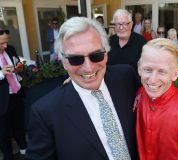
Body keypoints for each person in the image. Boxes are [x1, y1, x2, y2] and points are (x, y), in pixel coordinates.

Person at [26, 17, 139, 160]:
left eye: (96, 55)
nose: (88, 67)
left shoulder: (125, 77)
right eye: (75, 59)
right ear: (64, 62)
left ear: (106, 53)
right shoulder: (45, 112)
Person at [0, 27, 27, 160]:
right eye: (1, 43)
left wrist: (19, 67)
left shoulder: (10, 49)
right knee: (4, 133)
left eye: (6, 41)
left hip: (16, 94)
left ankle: (24, 149)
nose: (5, 45)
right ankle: (8, 156)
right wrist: (0, 73)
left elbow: (18, 63)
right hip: (2, 100)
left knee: (19, 125)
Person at [107, 9, 147, 73]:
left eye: (124, 23)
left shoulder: (141, 42)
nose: (121, 27)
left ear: (131, 24)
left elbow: (146, 68)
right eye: (118, 24)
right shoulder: (108, 42)